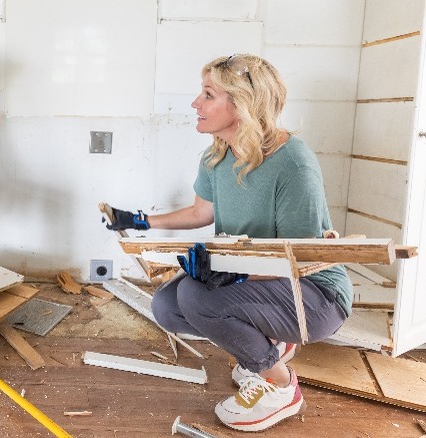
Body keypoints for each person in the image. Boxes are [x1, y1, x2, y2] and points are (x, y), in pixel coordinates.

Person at [105, 54, 352, 432]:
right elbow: (199, 213)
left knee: (196, 297)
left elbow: (300, 260)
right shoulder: (218, 154)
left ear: (242, 105)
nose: (194, 104)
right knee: (167, 305)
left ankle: (280, 384)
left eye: (207, 94)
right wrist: (139, 221)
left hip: (315, 296)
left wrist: (233, 276)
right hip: (262, 284)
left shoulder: (293, 165)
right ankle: (270, 343)